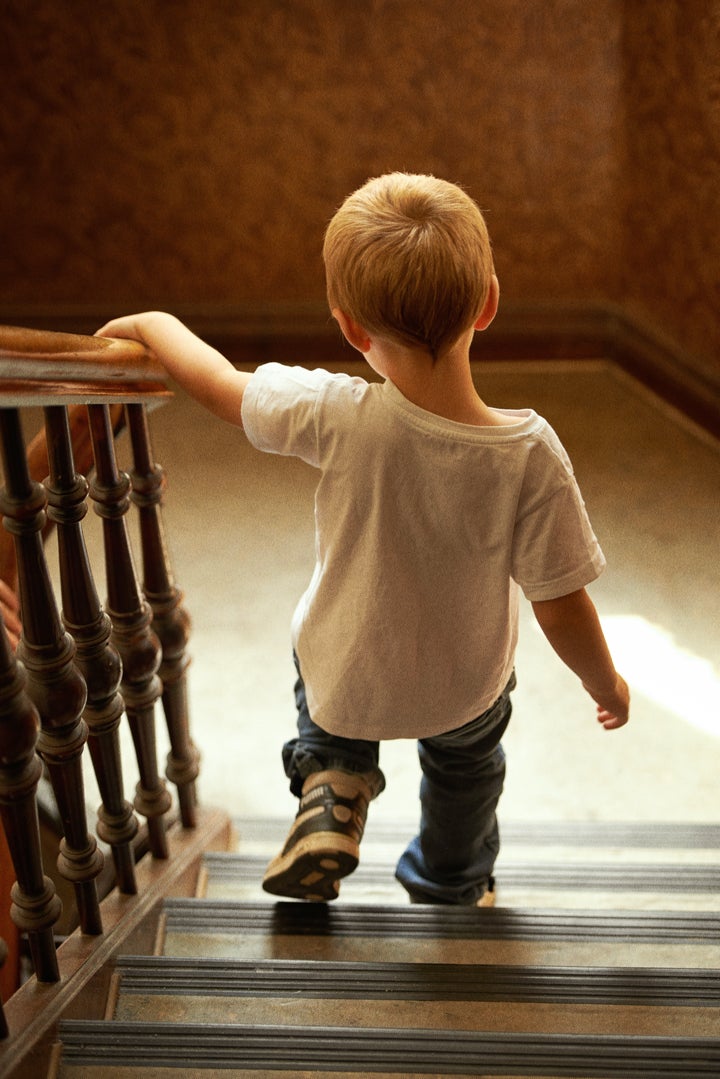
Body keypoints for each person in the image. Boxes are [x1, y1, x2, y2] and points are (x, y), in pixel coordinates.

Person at [96, 172, 629, 907]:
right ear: (489, 303)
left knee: (330, 698)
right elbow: (562, 603)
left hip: (346, 665)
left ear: (349, 328)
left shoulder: (335, 412)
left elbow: (219, 385)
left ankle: (333, 786)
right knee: (466, 774)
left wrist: (153, 321)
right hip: (465, 681)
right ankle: (452, 875)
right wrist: (606, 683)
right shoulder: (530, 453)